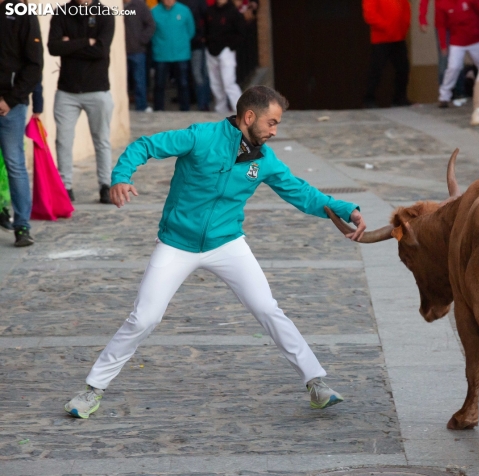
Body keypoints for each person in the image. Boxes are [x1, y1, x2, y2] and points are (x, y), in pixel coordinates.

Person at [64, 86, 366, 418]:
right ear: (249, 117)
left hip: (227, 244)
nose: (275, 130)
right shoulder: (201, 137)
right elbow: (146, 145)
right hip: (176, 243)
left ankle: (316, 383)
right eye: (272, 122)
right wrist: (120, 177)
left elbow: (302, 193)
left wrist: (346, 208)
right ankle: (92, 390)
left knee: (268, 309)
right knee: (145, 318)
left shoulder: (265, 160)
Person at [48, 0, 115, 204]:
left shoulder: (104, 14)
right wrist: (87, 41)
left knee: (101, 140)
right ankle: (65, 187)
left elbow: (101, 51)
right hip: (67, 91)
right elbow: (54, 47)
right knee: (63, 141)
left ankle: (105, 186)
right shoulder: (61, 13)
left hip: (98, 89)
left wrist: (70, 44)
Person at [0, 0, 42, 246]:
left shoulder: (22, 12)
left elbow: (35, 64)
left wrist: (11, 99)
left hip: (11, 105)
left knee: (14, 163)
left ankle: (22, 225)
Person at [436, 0, 479, 107]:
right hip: (457, 41)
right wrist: (443, 44)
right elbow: (441, 25)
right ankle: (444, 97)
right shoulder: (441, 3)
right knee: (453, 67)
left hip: (476, 39)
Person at [362, 0, 412, 108]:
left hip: (398, 36)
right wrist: (387, 26)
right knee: (376, 69)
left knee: (403, 68)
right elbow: (370, 15)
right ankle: (369, 99)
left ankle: (400, 98)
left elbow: (406, 10)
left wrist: (404, 27)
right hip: (381, 38)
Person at [151, 0, 194, 111]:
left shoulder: (184, 10)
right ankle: (158, 109)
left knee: (183, 84)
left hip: (181, 54)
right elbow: (151, 31)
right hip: (161, 54)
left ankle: (185, 109)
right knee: (159, 84)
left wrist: (181, 43)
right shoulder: (154, 12)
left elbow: (191, 30)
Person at [206, 0, 244, 113]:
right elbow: (206, 29)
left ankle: (241, 111)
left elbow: (241, 33)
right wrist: (206, 42)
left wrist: (230, 46)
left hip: (226, 52)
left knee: (229, 83)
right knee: (215, 83)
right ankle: (220, 109)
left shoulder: (234, 12)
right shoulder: (210, 11)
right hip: (211, 51)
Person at [178, 0, 211, 111]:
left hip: (196, 42)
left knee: (198, 74)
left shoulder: (199, 2)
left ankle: (203, 103)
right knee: (188, 74)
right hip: (183, 43)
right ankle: (192, 101)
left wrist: (203, 36)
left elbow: (207, 19)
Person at [124, 0, 155, 112]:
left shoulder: (140, 5)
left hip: (137, 50)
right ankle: (122, 107)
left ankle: (141, 106)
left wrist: (141, 40)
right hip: (120, 52)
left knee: (139, 80)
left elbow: (151, 24)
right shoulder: (115, 5)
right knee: (121, 82)